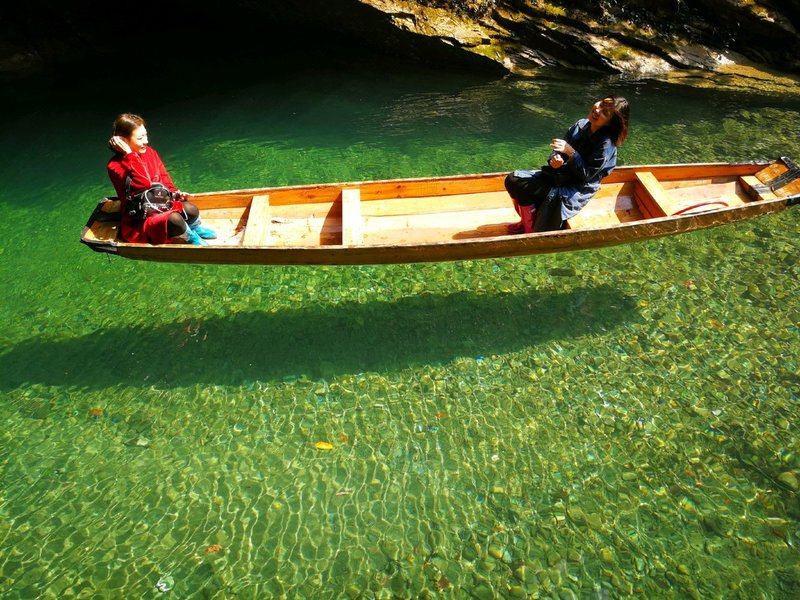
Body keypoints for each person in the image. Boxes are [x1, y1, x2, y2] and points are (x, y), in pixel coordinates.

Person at [505, 96, 630, 234]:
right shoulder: (581, 124)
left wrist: (571, 153)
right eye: (600, 104)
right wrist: (555, 160)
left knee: (523, 186)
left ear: (611, 123)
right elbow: (559, 149)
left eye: (605, 112)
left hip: (576, 187)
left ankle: (530, 230)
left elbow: (586, 175)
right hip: (561, 175)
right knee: (512, 179)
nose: (597, 110)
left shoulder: (606, 144)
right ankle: (525, 222)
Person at [106, 113, 216, 245]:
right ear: (123, 141)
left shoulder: (150, 152)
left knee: (191, 209)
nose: (146, 141)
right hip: (141, 218)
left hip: (161, 204)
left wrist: (175, 193)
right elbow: (143, 184)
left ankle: (194, 228)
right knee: (175, 219)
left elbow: (164, 178)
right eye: (140, 138)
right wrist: (130, 154)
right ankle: (190, 237)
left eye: (145, 135)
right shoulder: (115, 166)